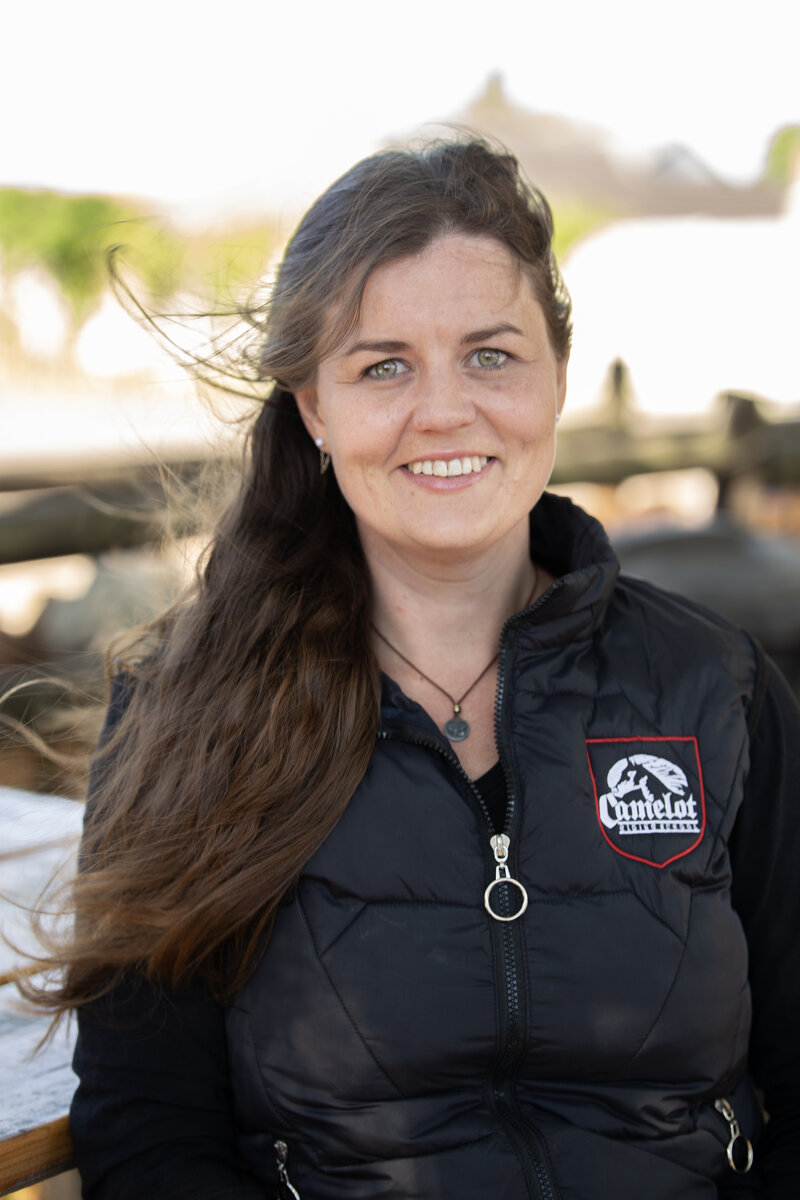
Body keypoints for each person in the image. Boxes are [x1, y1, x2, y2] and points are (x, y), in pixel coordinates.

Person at [43, 139, 799, 1198]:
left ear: (556, 380)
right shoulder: (188, 708)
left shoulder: (712, 686)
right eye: (382, 364)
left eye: (490, 354)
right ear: (313, 406)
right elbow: (147, 1129)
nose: (443, 411)